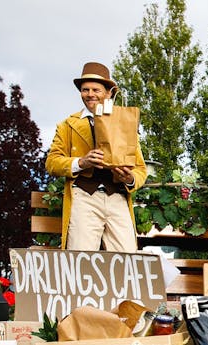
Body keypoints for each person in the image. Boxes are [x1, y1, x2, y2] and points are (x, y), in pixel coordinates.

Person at [46, 62, 147, 252]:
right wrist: (81, 162)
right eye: (85, 90)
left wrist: (130, 178)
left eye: (95, 89)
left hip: (117, 197)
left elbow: (140, 169)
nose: (90, 94)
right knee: (81, 260)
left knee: (126, 261)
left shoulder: (124, 124)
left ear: (109, 93)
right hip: (84, 197)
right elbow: (52, 162)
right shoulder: (68, 125)